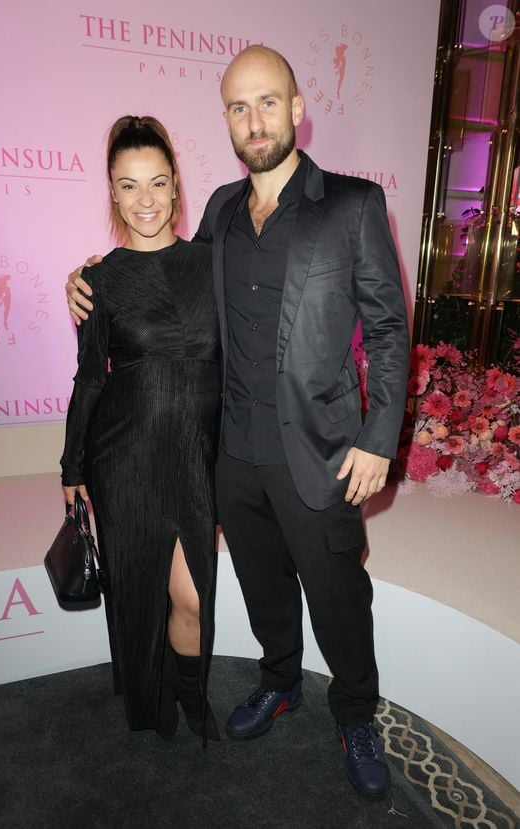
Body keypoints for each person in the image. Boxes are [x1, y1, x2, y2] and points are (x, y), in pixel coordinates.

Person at [66, 46, 409, 799]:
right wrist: (85, 280)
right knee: (262, 588)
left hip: (321, 452)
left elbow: (388, 329)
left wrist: (379, 438)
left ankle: (354, 712)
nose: (254, 120)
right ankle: (279, 679)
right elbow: (162, 281)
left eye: (266, 102)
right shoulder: (220, 210)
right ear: (225, 118)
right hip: (229, 455)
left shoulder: (351, 205)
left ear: (295, 106)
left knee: (338, 595)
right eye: (237, 107)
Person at [60, 115, 221, 744]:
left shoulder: (214, 266)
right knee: (136, 589)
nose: (145, 200)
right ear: (112, 191)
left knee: (190, 597)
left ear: (177, 185)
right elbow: (89, 380)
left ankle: (188, 694)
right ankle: (151, 705)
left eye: (157, 182)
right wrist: (73, 466)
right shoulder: (98, 281)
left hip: (195, 456)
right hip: (122, 454)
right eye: (129, 186)